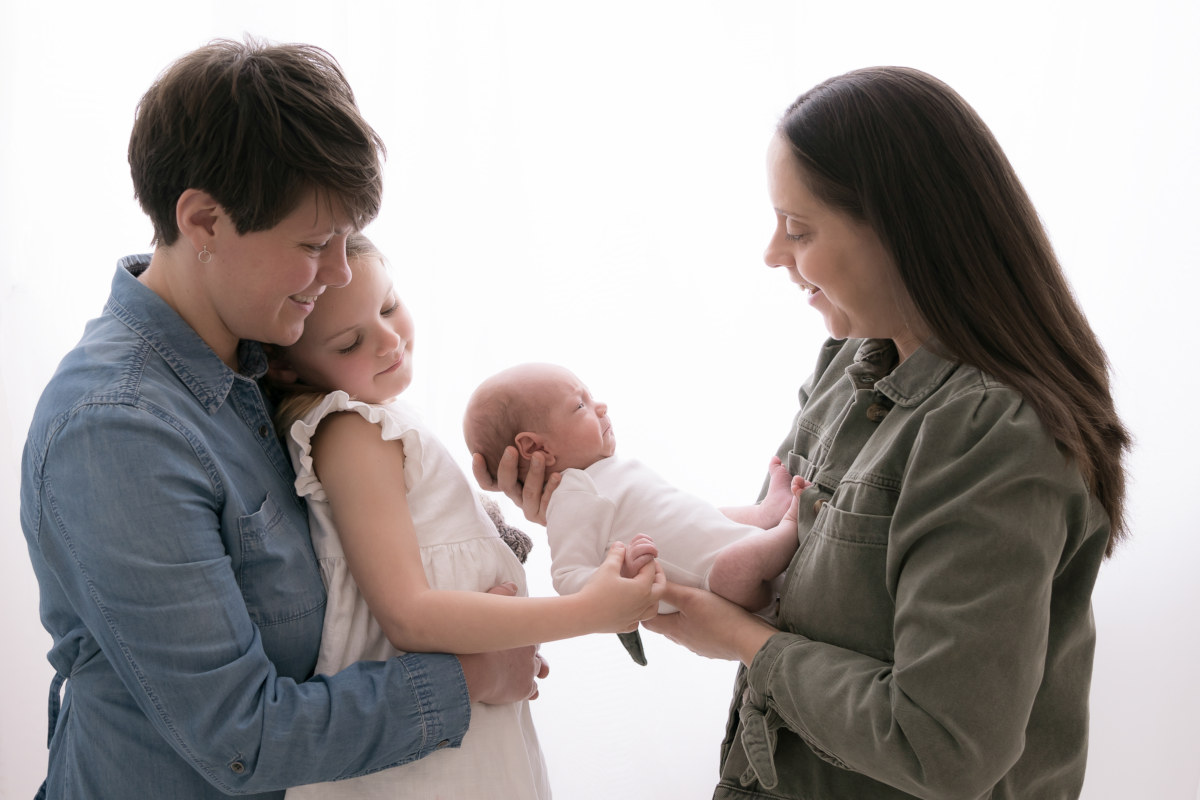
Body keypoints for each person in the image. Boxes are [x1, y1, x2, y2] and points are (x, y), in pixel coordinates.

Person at [481, 66, 1131, 799]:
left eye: (798, 228)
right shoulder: (851, 366)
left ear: (899, 229)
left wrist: (738, 641)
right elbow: (766, 555)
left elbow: (944, 749)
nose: (771, 253)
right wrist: (584, 501)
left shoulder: (993, 434)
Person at [20, 38, 546, 800]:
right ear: (203, 221)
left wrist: (467, 519)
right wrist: (467, 679)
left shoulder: (260, 361)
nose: (339, 274)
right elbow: (240, 738)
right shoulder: (118, 430)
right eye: (314, 244)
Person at [266, 235, 664, 798]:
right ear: (285, 365)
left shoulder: (384, 416)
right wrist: (585, 612)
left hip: (465, 722)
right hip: (420, 754)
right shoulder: (353, 430)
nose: (388, 342)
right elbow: (410, 615)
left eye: (387, 306)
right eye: (351, 341)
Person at [464, 362, 809, 666]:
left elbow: (692, 517)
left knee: (709, 515)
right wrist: (618, 574)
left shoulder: (605, 472)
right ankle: (791, 524)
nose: (600, 406)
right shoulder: (569, 499)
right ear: (536, 448)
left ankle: (765, 516)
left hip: (727, 549)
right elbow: (568, 577)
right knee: (733, 568)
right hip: (723, 590)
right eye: (580, 404)